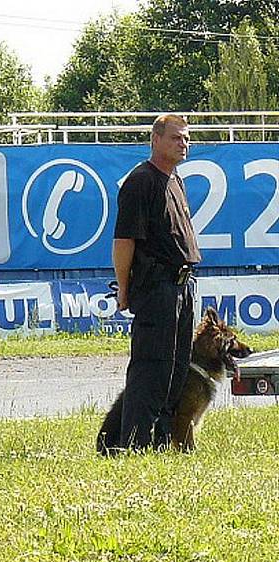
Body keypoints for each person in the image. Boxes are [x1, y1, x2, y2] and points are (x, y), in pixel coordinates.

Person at [112, 113, 201, 453]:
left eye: (186, 138)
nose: (184, 143)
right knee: (151, 366)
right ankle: (133, 442)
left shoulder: (175, 179)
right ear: (156, 140)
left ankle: (163, 440)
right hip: (157, 285)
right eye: (177, 137)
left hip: (183, 283)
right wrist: (124, 287)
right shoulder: (140, 181)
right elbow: (124, 241)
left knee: (177, 368)